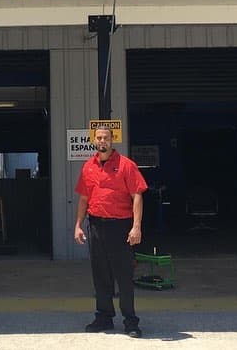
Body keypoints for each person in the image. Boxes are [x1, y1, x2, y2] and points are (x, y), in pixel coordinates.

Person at [73, 125, 148, 338]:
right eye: (99, 138)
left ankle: (131, 321)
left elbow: (137, 195)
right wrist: (78, 225)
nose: (102, 141)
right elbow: (84, 199)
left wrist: (136, 226)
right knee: (100, 274)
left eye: (106, 137)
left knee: (124, 275)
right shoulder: (88, 167)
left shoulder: (126, 165)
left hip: (121, 227)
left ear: (112, 140)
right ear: (94, 141)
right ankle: (104, 316)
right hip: (96, 226)